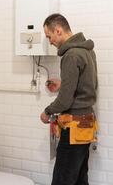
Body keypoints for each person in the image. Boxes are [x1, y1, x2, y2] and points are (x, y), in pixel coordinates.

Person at [40, 13, 98, 185]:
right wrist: (63, 84)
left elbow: (65, 101)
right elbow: (89, 84)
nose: (49, 41)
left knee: (62, 180)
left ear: (58, 30)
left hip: (73, 127)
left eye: (49, 36)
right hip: (86, 124)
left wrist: (46, 112)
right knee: (80, 179)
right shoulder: (87, 51)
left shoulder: (71, 55)